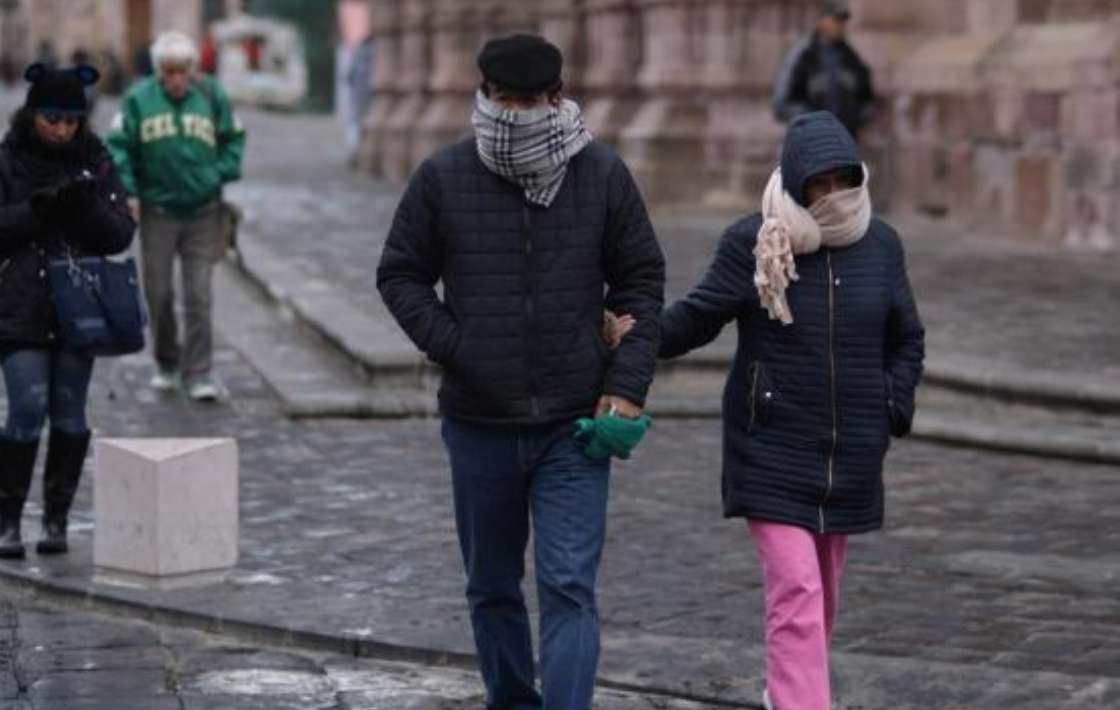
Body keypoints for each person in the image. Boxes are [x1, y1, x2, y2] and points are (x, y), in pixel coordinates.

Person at [376, 34, 665, 710]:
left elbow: (641, 283)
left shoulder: (602, 174)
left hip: (574, 425)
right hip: (479, 422)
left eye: (532, 102)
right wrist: (458, 346)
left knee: (570, 586)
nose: (519, 115)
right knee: (491, 586)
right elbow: (400, 274)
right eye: (506, 100)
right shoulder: (443, 177)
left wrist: (625, 385)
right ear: (484, 96)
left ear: (556, 99)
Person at [654, 111, 925, 710]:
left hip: (850, 452)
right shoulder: (755, 241)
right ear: (797, 183)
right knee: (797, 590)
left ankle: (789, 691)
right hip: (771, 447)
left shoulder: (880, 245)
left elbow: (907, 337)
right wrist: (632, 337)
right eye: (817, 184)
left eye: (840, 181)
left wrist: (889, 405)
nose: (830, 196)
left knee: (821, 595)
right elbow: (698, 317)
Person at [0, 63, 137, 559]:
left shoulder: (96, 160)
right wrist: (36, 210)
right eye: (52, 119)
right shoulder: (5, 159)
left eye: (71, 120)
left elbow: (121, 233)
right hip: (20, 302)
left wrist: (85, 208)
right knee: (27, 406)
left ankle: (56, 519)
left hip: (79, 307)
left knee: (69, 412)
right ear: (33, 114)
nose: (62, 130)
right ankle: (8, 521)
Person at [107, 31, 246, 402]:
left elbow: (234, 137)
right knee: (160, 293)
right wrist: (129, 190)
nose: (177, 79)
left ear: (193, 69)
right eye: (169, 72)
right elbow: (118, 147)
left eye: (184, 71)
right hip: (158, 212)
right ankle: (167, 361)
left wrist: (218, 173)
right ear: (158, 72)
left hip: (204, 211)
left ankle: (200, 372)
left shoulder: (212, 95)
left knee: (199, 294)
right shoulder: (138, 99)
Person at [772, 0, 875, 140]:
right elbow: (781, 104)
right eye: (835, 20)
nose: (840, 25)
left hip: (843, 142)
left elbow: (867, 100)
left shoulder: (852, 59)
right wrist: (812, 121)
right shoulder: (802, 57)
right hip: (811, 143)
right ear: (821, 21)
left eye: (843, 21)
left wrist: (855, 118)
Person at [336, 0, 374, 162]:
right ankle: (357, 147)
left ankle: (358, 146)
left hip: (361, 46)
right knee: (357, 107)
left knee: (357, 106)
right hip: (359, 47)